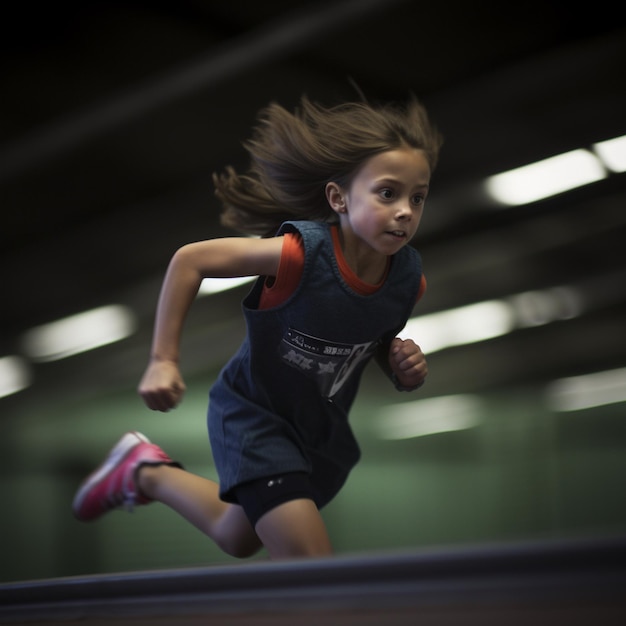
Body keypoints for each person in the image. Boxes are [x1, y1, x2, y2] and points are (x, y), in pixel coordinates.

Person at [72, 95, 442, 560]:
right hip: (256, 418)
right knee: (312, 565)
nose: (406, 210)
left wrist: (401, 367)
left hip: (320, 431)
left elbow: (372, 341)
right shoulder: (298, 254)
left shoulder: (409, 282)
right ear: (338, 197)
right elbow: (191, 260)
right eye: (388, 193)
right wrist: (163, 359)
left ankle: (143, 473)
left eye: (418, 196)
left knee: (236, 536)